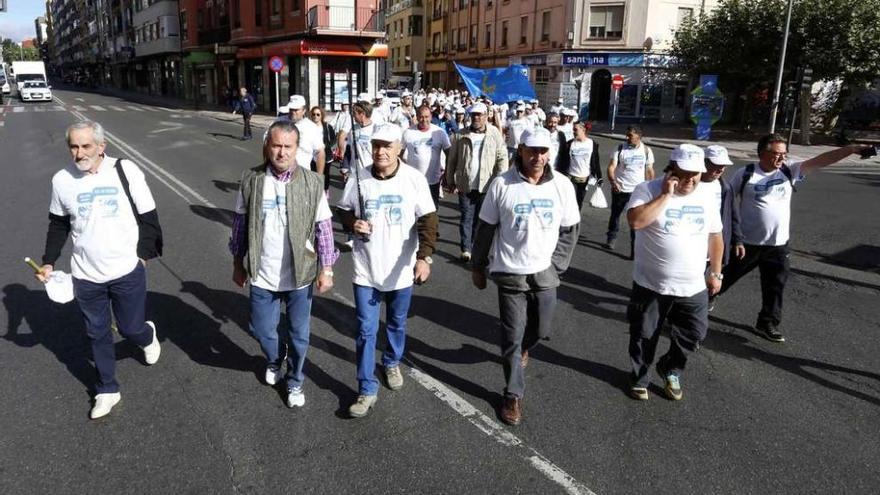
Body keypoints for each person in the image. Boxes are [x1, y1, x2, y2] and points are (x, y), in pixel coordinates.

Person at [37, 120, 163, 419]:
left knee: (130, 327)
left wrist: (141, 257)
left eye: (86, 146)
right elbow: (58, 224)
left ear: (101, 147)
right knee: (97, 333)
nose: (79, 153)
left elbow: (149, 217)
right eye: (74, 146)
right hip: (85, 274)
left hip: (126, 269)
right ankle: (107, 389)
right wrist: (49, 260)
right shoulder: (62, 180)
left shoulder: (125, 170)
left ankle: (146, 336)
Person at [716, 134, 873, 342]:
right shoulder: (745, 174)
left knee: (775, 286)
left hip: (778, 246)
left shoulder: (790, 170)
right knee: (723, 278)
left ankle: (767, 322)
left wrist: (851, 149)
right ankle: (691, 307)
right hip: (747, 244)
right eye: (776, 153)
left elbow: (823, 160)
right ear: (762, 153)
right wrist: (727, 234)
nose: (781, 157)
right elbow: (723, 201)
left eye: (784, 153)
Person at [471, 127, 581, 425]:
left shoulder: (562, 185)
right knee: (511, 335)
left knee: (541, 329)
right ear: (520, 150)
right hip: (510, 272)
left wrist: (556, 266)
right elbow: (485, 229)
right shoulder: (502, 184)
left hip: (545, 273)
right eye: (532, 150)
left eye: (543, 151)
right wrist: (478, 266)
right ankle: (512, 394)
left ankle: (523, 349)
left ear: (550, 153)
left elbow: (570, 231)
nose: (538, 157)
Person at [229, 120, 337, 408]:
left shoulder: (312, 182)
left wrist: (326, 268)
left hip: (299, 275)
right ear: (267, 146)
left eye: (288, 147)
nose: (281, 152)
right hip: (262, 273)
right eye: (276, 145)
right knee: (261, 329)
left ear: (296, 149)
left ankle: (295, 380)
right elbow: (240, 225)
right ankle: (276, 357)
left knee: (300, 335)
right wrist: (238, 263)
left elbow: (323, 227)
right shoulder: (251, 179)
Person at [336, 124, 439, 418]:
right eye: (377, 145)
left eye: (387, 146)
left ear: (399, 149)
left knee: (396, 324)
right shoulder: (359, 177)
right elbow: (343, 209)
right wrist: (351, 222)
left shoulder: (413, 179)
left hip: (402, 270)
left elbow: (429, 222)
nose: (381, 151)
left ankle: (391, 361)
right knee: (366, 331)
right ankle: (366, 389)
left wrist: (424, 258)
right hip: (366, 270)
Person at [625, 144, 723, 401]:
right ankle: (639, 376)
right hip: (651, 284)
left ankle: (671, 367)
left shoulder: (707, 196)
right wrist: (665, 196)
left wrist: (716, 272)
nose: (691, 179)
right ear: (671, 170)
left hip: (692, 285)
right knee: (644, 335)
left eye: (696, 174)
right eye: (685, 173)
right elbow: (636, 222)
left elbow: (715, 235)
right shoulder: (647, 189)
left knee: (695, 333)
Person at [443, 102, 509, 262]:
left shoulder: (494, 134)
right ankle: (466, 249)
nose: (476, 118)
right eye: (473, 115)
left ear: (486, 116)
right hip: (465, 184)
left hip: (486, 185)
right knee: (466, 217)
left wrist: (502, 180)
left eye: (479, 115)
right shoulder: (460, 135)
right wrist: (450, 180)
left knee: (481, 220)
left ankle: (475, 246)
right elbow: (452, 160)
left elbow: (502, 157)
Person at [605, 125, 655, 257]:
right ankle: (611, 237)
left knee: (635, 221)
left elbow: (649, 170)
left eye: (630, 136)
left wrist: (650, 187)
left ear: (638, 136)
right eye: (626, 135)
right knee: (615, 215)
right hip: (620, 189)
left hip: (638, 192)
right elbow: (611, 167)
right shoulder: (620, 148)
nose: (627, 138)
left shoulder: (646, 150)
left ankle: (635, 248)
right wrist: (613, 182)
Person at [402, 105, 452, 208]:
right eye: (421, 116)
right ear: (416, 116)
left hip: (433, 180)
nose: (424, 120)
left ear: (431, 116)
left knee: (432, 211)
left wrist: (447, 173)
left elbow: (449, 154)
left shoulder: (439, 133)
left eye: (427, 116)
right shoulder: (408, 132)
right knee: (413, 210)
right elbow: (399, 154)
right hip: (413, 181)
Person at [700, 145, 741, 272]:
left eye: (723, 165)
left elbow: (733, 215)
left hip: (713, 248)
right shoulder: (688, 184)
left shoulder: (725, 187)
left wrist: (738, 241)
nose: (721, 169)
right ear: (703, 162)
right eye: (716, 165)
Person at [556, 121, 601, 210]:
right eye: (573, 129)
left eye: (575, 129)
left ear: (583, 130)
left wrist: (599, 177)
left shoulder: (592, 144)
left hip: (584, 179)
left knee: (579, 202)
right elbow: (563, 161)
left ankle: (576, 221)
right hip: (570, 177)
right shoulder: (570, 144)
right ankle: (568, 222)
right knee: (570, 202)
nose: (573, 131)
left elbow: (595, 161)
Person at [286, 95, 326, 176]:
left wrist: (318, 179)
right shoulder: (280, 123)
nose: (293, 112)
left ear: (304, 110)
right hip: (279, 176)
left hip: (301, 176)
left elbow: (320, 153)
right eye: (291, 109)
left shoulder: (312, 128)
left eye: (296, 109)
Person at [309, 106, 336, 194]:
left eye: (318, 114)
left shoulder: (327, 126)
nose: (315, 116)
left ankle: (325, 190)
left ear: (322, 116)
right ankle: (315, 192)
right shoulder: (308, 126)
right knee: (313, 174)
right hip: (312, 156)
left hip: (326, 155)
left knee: (325, 174)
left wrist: (326, 146)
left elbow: (333, 139)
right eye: (313, 114)